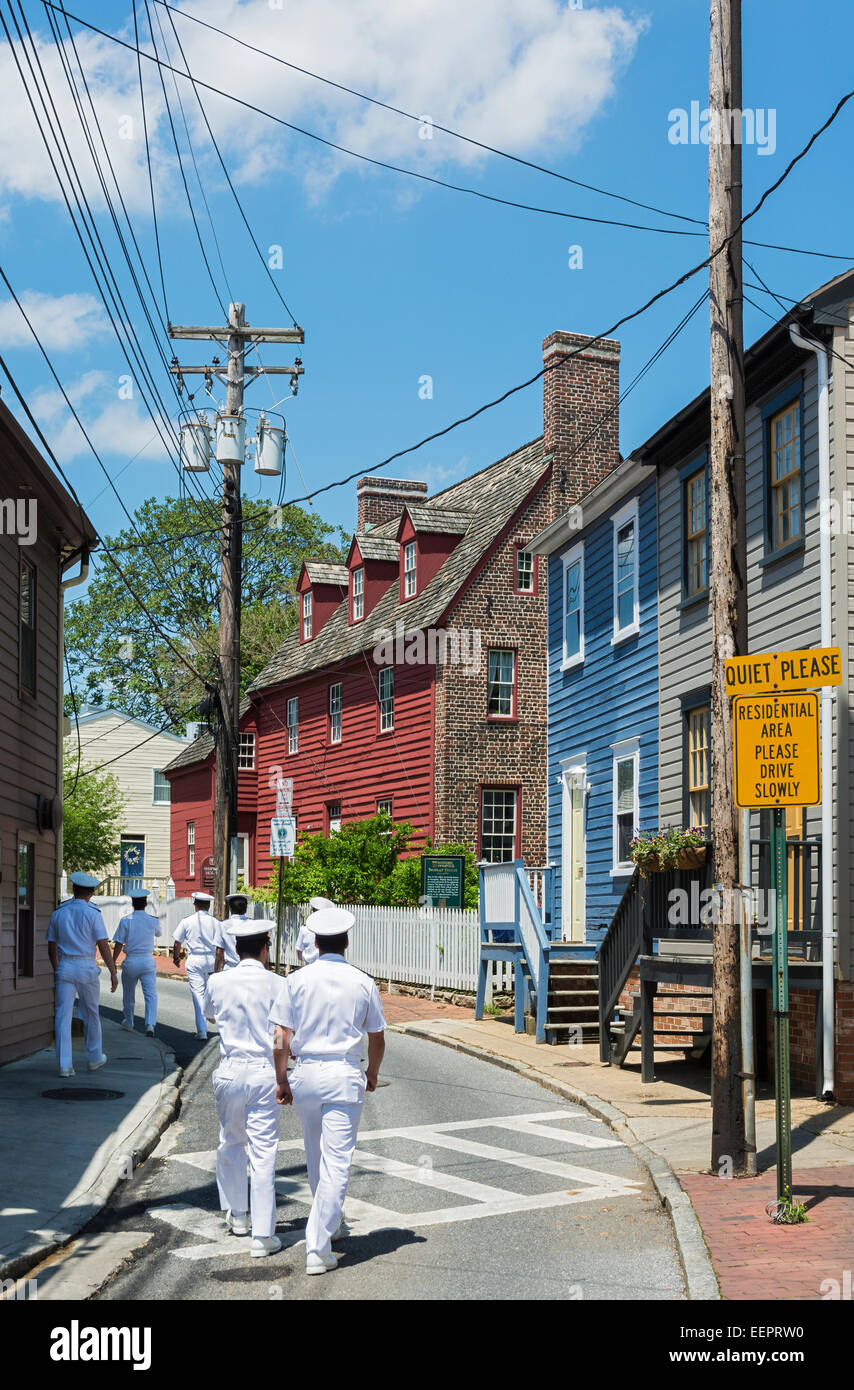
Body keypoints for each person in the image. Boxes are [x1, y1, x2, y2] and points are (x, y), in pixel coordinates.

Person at [272, 905, 386, 1276]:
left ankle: (329, 1227)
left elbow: (280, 1037)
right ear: (347, 941)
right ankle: (318, 1247)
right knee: (337, 1161)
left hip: (305, 1072)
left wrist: (281, 1079)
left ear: (316, 943)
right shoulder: (363, 981)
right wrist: (373, 1073)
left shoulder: (297, 980)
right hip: (343, 1073)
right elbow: (377, 1036)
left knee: (316, 1156)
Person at [203, 922, 287, 1258]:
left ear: (237, 951)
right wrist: (283, 1073)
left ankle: (238, 1214)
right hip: (264, 1071)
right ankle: (262, 1235)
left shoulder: (217, 980)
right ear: (265, 949)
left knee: (231, 1142)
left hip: (230, 1069)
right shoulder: (279, 983)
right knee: (263, 1153)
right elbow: (282, 1034)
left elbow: (210, 1016)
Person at [47, 871, 118, 1078]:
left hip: (65, 966)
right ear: (91, 893)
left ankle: (65, 1065)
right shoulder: (93, 913)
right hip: (86, 966)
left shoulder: (59, 913)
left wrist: (57, 969)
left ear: (73, 889)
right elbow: (103, 946)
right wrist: (113, 972)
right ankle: (94, 1057)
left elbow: (51, 947)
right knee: (91, 1013)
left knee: (63, 1016)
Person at [173, 891, 221, 1040]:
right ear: (209, 906)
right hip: (212, 959)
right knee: (212, 994)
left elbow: (177, 942)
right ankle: (219, 1022)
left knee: (198, 994)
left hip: (195, 959)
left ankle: (202, 1030)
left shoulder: (187, 921)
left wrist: (176, 957)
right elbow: (221, 945)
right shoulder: (216, 923)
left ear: (196, 905)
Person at [113, 891, 158, 1036]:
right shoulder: (153, 920)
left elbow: (119, 943)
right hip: (147, 960)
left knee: (128, 993)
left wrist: (113, 961)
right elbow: (158, 933)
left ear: (132, 904)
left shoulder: (126, 920)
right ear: (145, 904)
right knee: (151, 994)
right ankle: (150, 1024)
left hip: (131, 959)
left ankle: (129, 1021)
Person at [214, 893, 249, 973]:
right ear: (246, 909)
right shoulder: (252, 924)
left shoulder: (223, 925)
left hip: (230, 969)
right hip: (249, 970)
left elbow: (219, 953)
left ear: (230, 909)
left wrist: (215, 971)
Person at [295, 895, 334, 966]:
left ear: (313, 911)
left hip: (309, 968)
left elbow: (299, 954)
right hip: (327, 968)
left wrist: (308, 957)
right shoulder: (331, 930)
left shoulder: (304, 929)